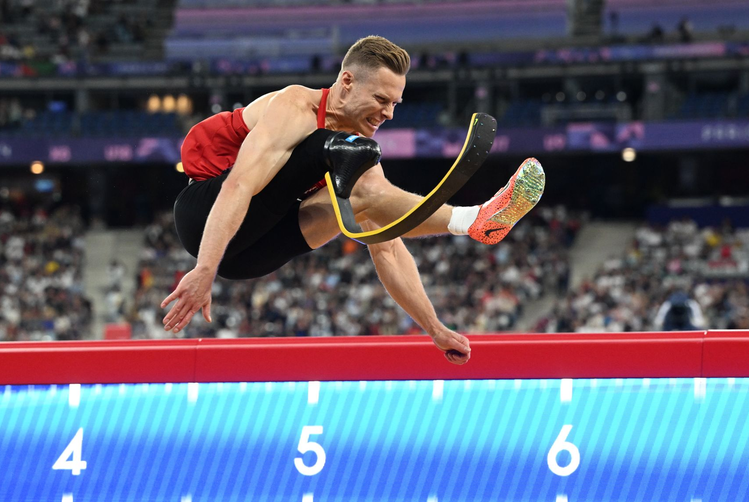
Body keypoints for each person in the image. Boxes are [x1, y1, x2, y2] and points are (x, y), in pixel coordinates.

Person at [161, 36, 544, 364]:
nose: (389, 113)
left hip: (249, 257)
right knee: (328, 149)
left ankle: (475, 222)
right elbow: (238, 186)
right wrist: (204, 270)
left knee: (367, 195)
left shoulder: (352, 154)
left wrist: (435, 328)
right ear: (347, 81)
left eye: (395, 103)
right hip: (203, 214)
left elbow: (388, 247)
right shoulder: (295, 108)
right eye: (381, 98)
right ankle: (472, 218)